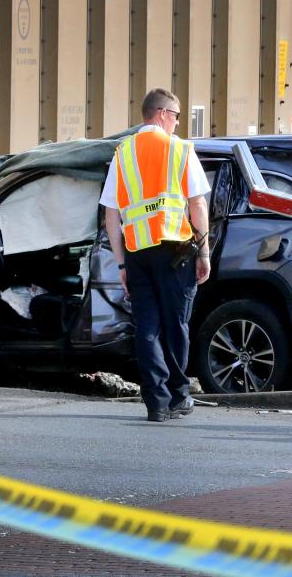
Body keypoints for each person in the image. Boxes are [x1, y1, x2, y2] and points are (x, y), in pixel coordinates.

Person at [99, 88, 211, 423]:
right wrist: (204, 252)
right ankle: (179, 396)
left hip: (137, 253)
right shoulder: (179, 150)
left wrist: (121, 263)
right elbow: (198, 204)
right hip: (176, 250)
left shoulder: (123, 152)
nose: (177, 124)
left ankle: (156, 403)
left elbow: (110, 216)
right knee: (176, 324)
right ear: (162, 113)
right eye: (176, 117)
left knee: (147, 327)